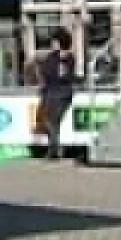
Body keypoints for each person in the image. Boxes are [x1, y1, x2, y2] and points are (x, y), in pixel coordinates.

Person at [35, 29, 79, 160]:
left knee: (53, 121)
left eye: (54, 42)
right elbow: (45, 71)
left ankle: (54, 151)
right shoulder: (51, 56)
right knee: (46, 121)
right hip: (50, 92)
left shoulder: (68, 57)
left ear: (61, 43)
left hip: (62, 93)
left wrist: (60, 65)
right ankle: (54, 149)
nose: (52, 44)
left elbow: (64, 75)